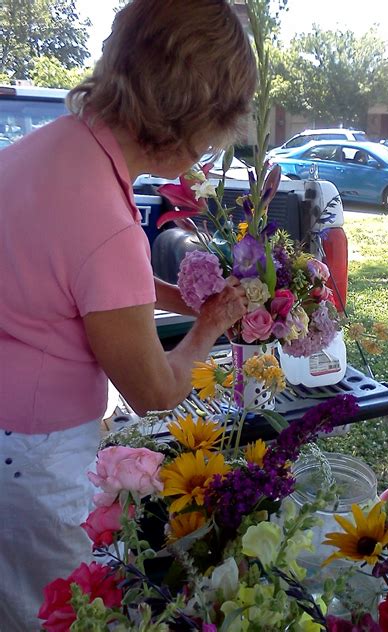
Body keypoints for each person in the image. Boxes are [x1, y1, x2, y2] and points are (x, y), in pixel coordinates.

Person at [0, 1, 256, 629]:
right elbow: (155, 391)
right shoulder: (108, 225)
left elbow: (76, 282)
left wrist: (183, 296)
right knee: (56, 614)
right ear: (191, 118)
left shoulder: (48, 149)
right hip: (35, 460)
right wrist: (207, 331)